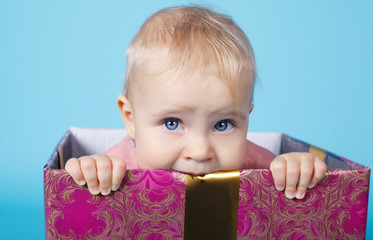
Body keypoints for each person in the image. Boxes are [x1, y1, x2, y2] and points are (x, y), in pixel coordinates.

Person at [65, 6, 327, 200]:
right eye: (172, 123)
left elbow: (283, 170)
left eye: (223, 124)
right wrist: (94, 169)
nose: (200, 151)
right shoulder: (121, 164)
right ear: (131, 119)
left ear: (247, 119)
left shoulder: (249, 158)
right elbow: (89, 175)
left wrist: (296, 166)